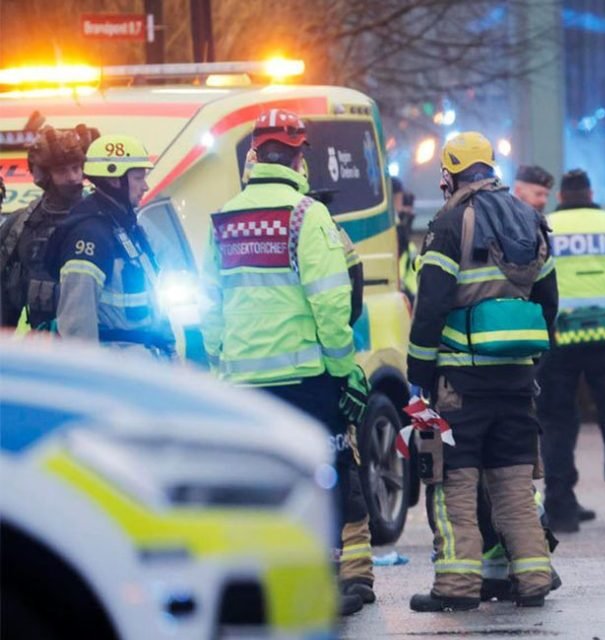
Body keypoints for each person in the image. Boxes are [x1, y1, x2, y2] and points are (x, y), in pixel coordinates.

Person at [201, 109, 373, 617]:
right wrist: (346, 371)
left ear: (253, 156)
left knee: (259, 482)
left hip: (244, 381)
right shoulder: (306, 215)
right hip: (307, 380)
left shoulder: (226, 218)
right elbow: (329, 303)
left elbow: (211, 305)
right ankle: (320, 582)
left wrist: (220, 362)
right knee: (326, 474)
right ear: (299, 157)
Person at [407, 131, 557, 612]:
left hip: (460, 383)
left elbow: (430, 305)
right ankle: (533, 579)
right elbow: (548, 301)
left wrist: (419, 372)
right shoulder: (530, 218)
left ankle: (455, 587)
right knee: (514, 485)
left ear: (450, 174)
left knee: (454, 487)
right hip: (515, 379)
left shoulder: (450, 221)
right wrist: (530, 360)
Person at [536, 168, 605, 533]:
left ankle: (562, 508)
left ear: (562, 197)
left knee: (557, 425)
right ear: (591, 192)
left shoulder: (544, 226)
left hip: (558, 339)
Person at [45, 134, 174, 356]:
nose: (145, 186)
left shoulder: (127, 227)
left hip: (146, 364)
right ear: (115, 180)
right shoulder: (89, 236)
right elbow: (77, 326)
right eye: (138, 178)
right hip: (118, 369)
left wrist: (171, 354)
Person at [1, 122, 97, 330]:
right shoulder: (19, 226)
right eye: (62, 171)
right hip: (43, 346)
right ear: (44, 175)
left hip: (97, 344)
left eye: (76, 168)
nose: (72, 177)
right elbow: (4, 298)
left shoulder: (102, 218)